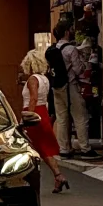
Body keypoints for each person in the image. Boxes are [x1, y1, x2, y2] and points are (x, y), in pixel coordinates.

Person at [19, 49, 69, 193]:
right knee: (43, 148)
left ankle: (26, 179)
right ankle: (58, 176)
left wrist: (28, 116)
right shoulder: (45, 79)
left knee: (28, 147)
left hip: (33, 113)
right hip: (43, 112)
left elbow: (33, 97)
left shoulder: (33, 79)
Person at [45, 18, 90, 157]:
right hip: (70, 85)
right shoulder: (71, 49)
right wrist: (83, 60)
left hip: (57, 86)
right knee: (80, 116)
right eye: (70, 29)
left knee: (62, 117)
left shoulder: (53, 49)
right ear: (66, 32)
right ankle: (85, 148)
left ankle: (64, 148)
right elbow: (78, 70)